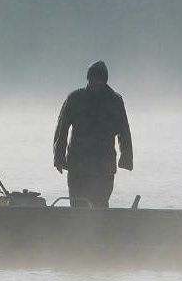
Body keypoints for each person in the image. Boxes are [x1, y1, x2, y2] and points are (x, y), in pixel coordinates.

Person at [53, 61, 133, 208]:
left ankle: (99, 223)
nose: (94, 81)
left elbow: (124, 131)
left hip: (103, 168)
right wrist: (58, 157)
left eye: (98, 78)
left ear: (105, 80)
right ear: (88, 78)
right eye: (92, 78)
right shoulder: (75, 98)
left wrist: (126, 158)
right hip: (78, 167)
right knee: (77, 207)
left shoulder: (114, 101)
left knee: (100, 207)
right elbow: (61, 129)